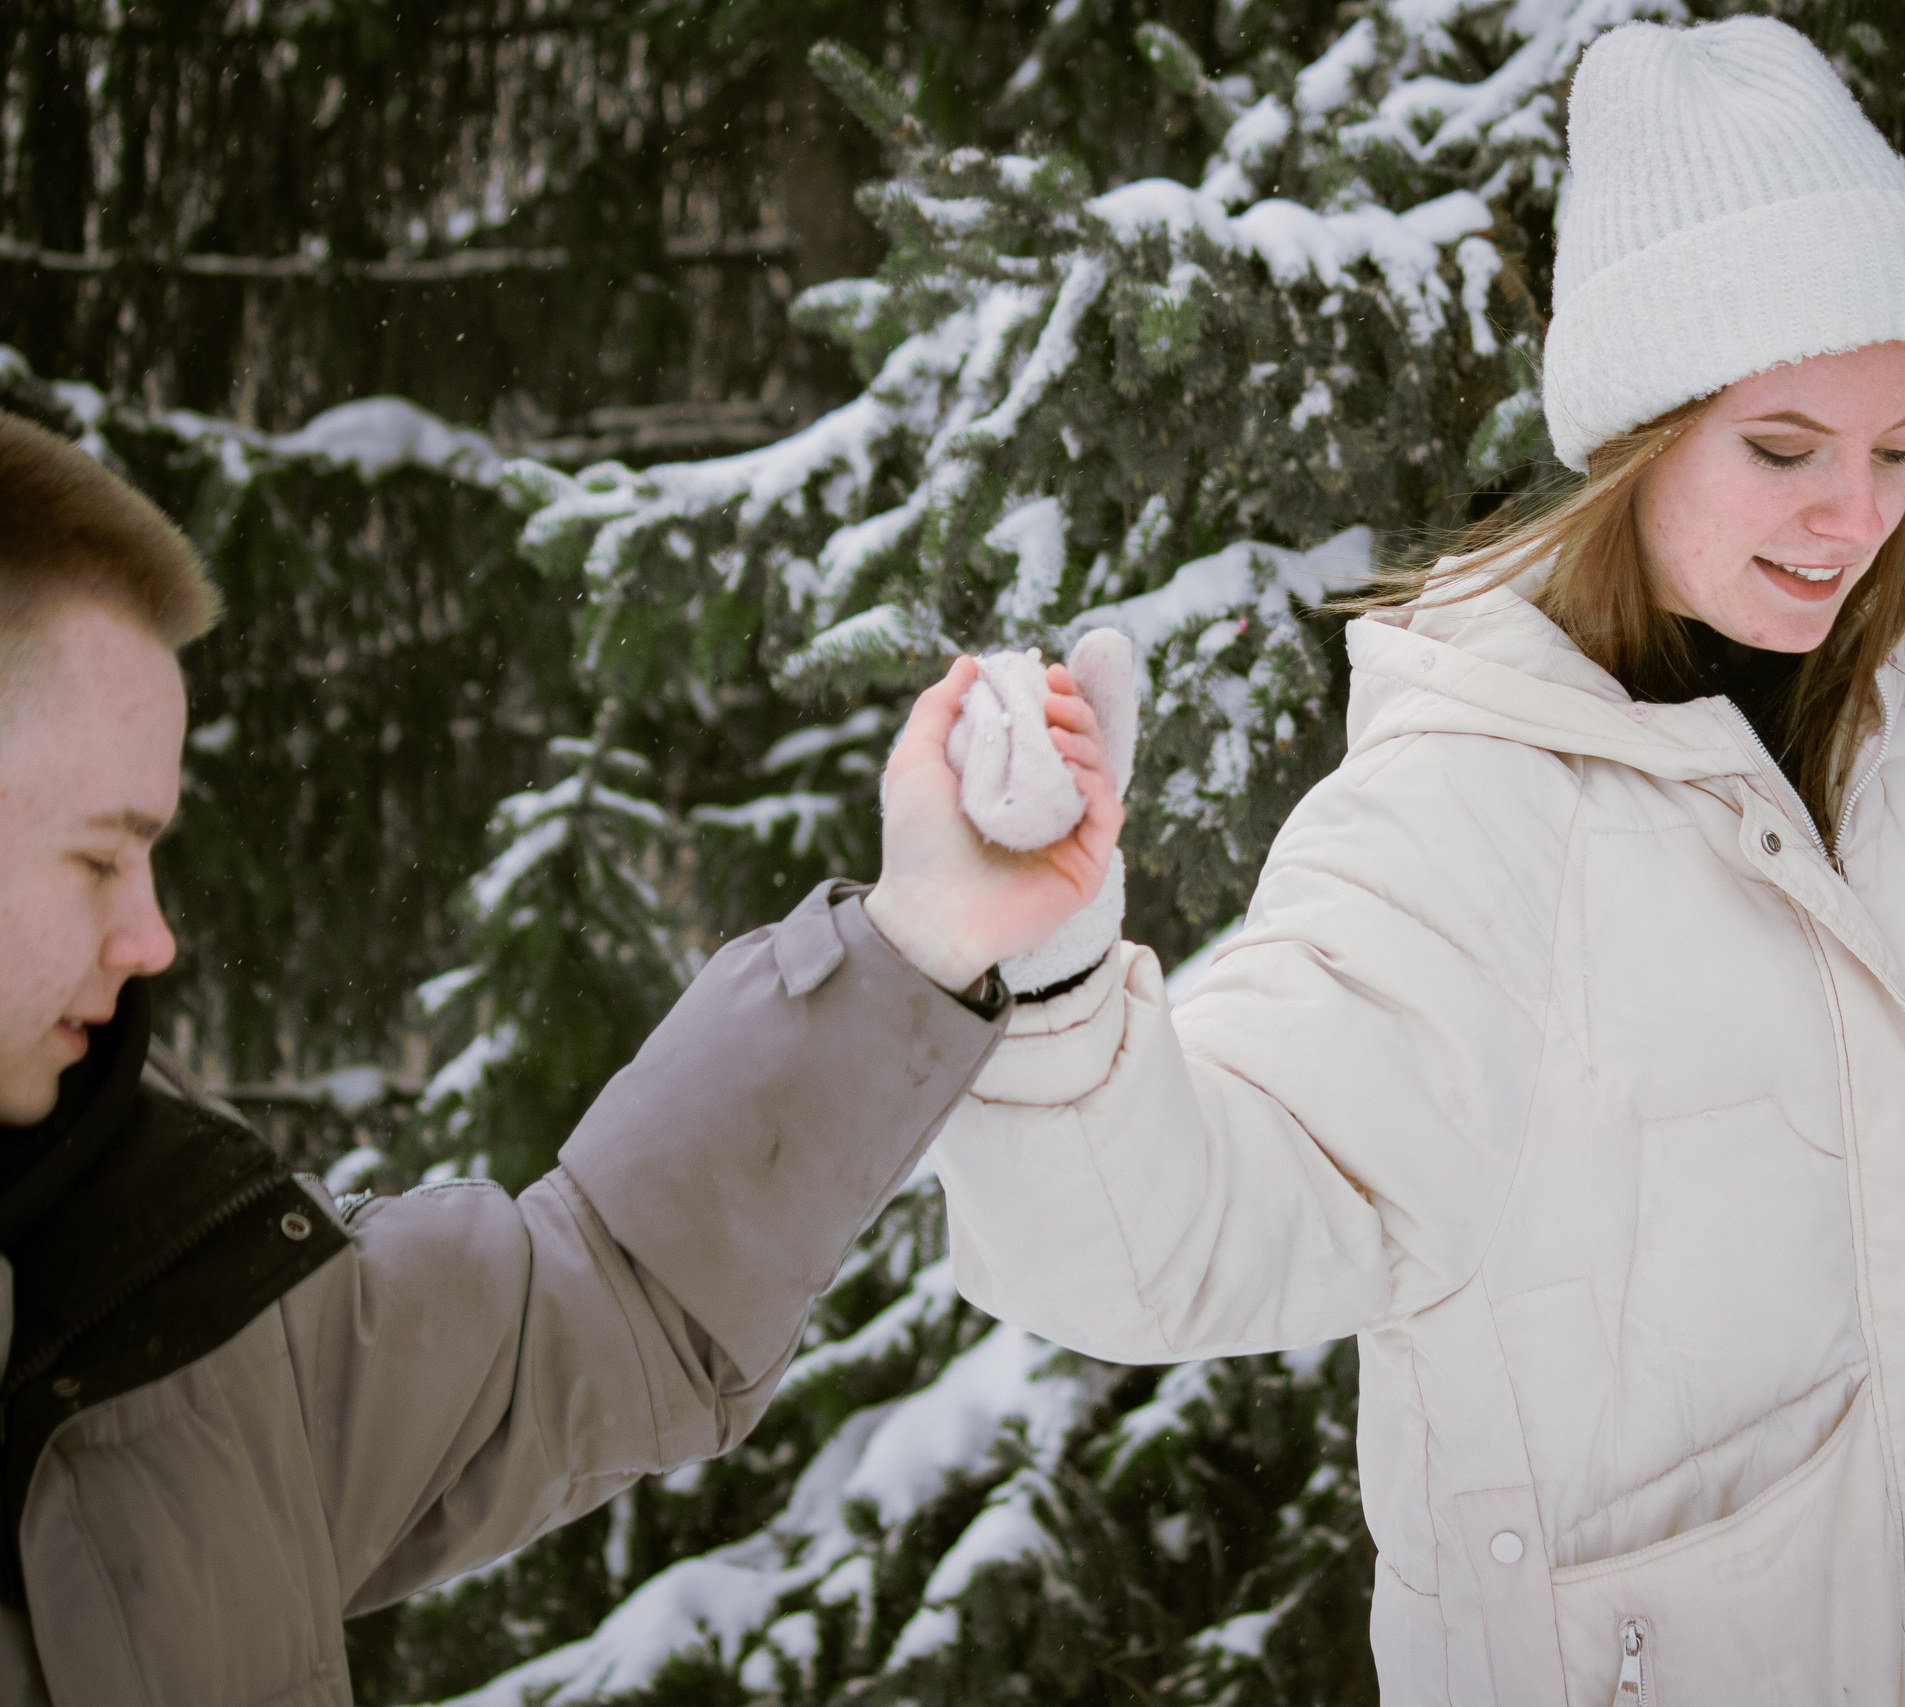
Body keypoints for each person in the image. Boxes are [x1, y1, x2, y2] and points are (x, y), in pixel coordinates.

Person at [869, 17, 1905, 1706]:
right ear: (1637, 435)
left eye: (1900, 449)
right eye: (1783, 449)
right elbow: (1183, 1232)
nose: (1857, 515)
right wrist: (1059, 992)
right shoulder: (1464, 807)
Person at [0, 410, 1119, 1706]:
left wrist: (921, 932)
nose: (151, 938)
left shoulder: (164, 1300)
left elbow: (599, 1310)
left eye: (153, 856)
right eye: (96, 857)